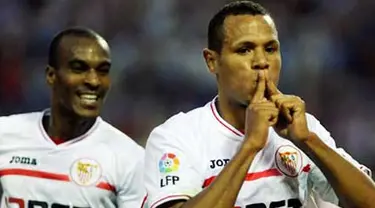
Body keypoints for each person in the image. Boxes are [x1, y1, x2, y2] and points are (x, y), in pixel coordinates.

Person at [143, 1, 375, 208]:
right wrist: (250, 146)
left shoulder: (303, 129)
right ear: (212, 61)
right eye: (244, 50)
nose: (262, 62)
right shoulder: (176, 136)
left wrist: (308, 142)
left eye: (271, 49)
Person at [0, 27, 146, 208]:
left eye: (103, 70)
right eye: (79, 69)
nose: (93, 81)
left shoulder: (130, 159)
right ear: (51, 75)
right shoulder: (5, 135)